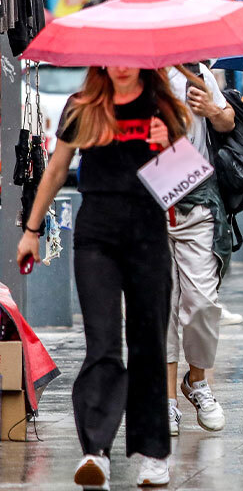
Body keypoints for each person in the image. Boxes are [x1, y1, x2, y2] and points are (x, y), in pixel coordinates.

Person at [18, 66, 190, 488]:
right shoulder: (83, 108)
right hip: (97, 237)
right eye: (112, 56)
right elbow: (57, 170)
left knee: (149, 341)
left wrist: (169, 147)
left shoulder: (164, 109)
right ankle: (96, 452)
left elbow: (181, 191)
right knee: (103, 342)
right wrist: (31, 231)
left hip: (148, 236)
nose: (122, 64)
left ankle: (152, 453)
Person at [164, 64, 235, 436]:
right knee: (162, 306)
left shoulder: (197, 72)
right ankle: (167, 402)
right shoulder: (134, 73)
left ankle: (196, 382)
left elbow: (227, 122)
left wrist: (211, 108)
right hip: (148, 197)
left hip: (197, 196)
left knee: (203, 302)